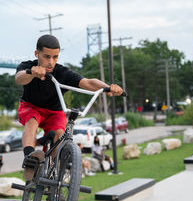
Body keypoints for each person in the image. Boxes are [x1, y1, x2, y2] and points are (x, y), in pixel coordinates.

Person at [15, 34, 123, 181]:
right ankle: (30, 160)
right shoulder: (27, 66)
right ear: (36, 54)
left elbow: (88, 82)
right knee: (32, 122)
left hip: (55, 112)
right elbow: (19, 78)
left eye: (55, 57)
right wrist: (31, 72)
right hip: (31, 107)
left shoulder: (62, 73)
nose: (50, 62)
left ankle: (52, 177)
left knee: (60, 134)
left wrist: (109, 87)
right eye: (46, 56)